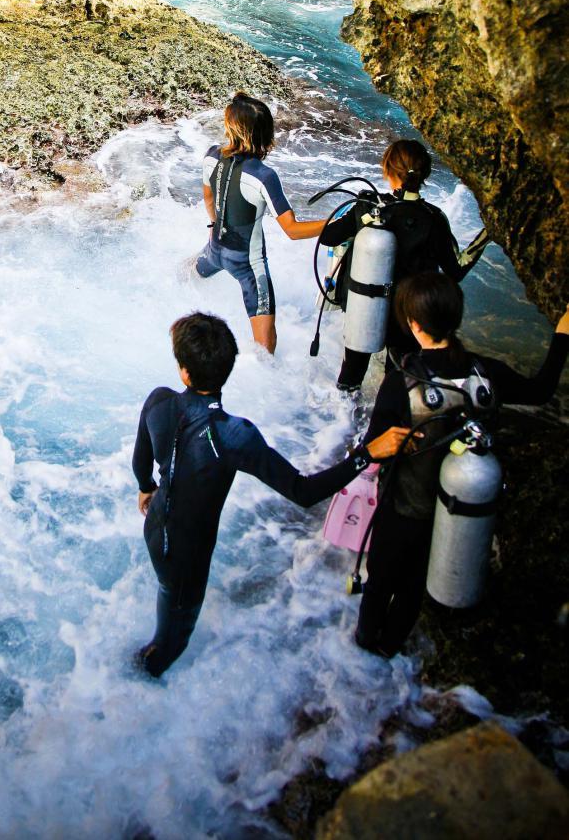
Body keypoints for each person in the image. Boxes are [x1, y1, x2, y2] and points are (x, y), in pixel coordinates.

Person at [132, 311, 410, 677]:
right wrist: (366, 454)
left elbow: (141, 461)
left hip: (155, 529)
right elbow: (303, 491)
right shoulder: (235, 435)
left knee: (169, 594)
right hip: (187, 554)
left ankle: (137, 666)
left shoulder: (158, 400)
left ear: (185, 373)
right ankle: (145, 673)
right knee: (173, 637)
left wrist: (146, 488)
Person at [356, 271, 569, 658]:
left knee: (380, 583)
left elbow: (373, 448)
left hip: (403, 509)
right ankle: (389, 649)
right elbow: (541, 390)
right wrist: (563, 334)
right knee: (414, 589)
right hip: (457, 515)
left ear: (413, 324)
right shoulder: (487, 374)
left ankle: (365, 650)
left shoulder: (400, 383)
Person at [318, 138, 489, 391]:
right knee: (398, 381)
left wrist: (357, 218)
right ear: (424, 174)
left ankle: (345, 415)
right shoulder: (433, 218)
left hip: (366, 308)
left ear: (387, 169)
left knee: (350, 377)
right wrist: (488, 234)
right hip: (409, 318)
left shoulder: (370, 209)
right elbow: (457, 270)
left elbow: (327, 237)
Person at [197, 92, 328, 354]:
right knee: (265, 347)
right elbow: (292, 230)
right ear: (266, 134)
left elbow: (209, 199)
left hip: (214, 249)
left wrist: (214, 227)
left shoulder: (211, 156)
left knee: (187, 274)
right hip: (247, 266)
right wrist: (334, 221)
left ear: (230, 127)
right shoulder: (264, 176)